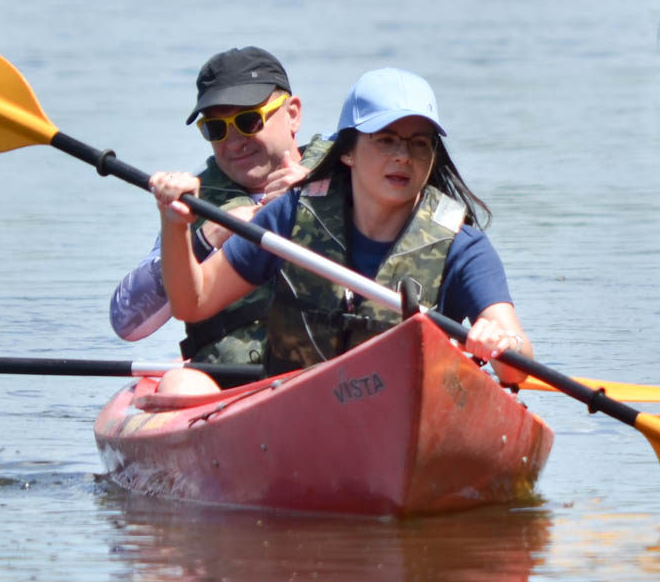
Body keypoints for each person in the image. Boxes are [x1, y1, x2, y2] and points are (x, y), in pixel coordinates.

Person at [148, 67, 531, 392]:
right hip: (295, 410)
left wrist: (500, 342)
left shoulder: (463, 247)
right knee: (183, 385)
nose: (403, 156)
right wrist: (175, 225)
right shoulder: (291, 217)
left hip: (404, 410)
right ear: (347, 151)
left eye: (419, 144)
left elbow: (517, 367)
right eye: (385, 140)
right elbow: (192, 303)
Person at [109, 48, 329, 367]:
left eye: (248, 121)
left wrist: (322, 189)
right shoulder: (194, 208)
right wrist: (204, 239)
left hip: (335, 365)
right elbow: (126, 322)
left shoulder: (349, 173)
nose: (235, 142)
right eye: (217, 129)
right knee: (181, 384)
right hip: (234, 382)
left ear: (293, 114)